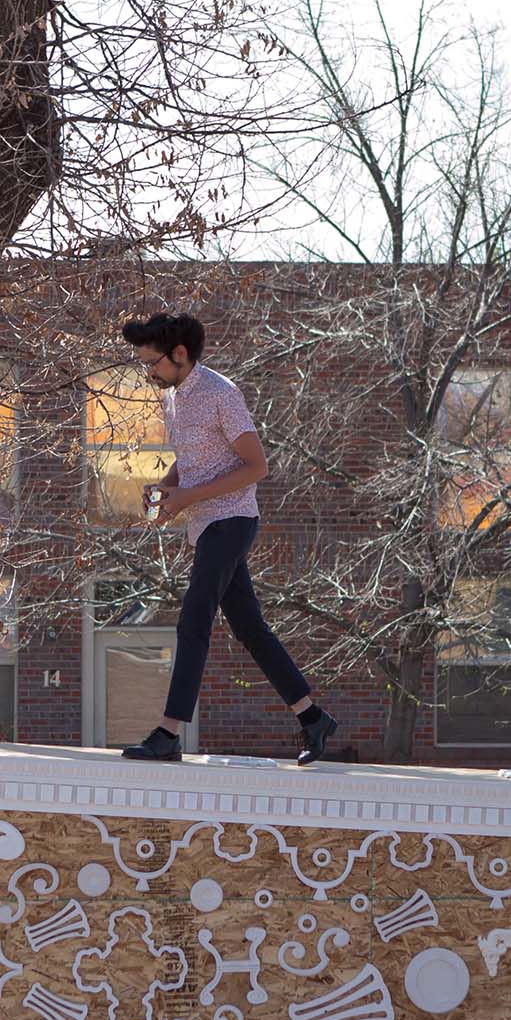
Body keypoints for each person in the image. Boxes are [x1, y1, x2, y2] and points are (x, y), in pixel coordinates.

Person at [115, 312, 336, 765]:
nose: (148, 373)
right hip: (205, 524)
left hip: (232, 520)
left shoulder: (222, 393)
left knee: (193, 619)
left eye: (152, 362)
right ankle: (312, 716)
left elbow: (256, 467)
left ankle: (169, 732)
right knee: (249, 627)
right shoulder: (173, 399)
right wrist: (168, 489)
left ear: (179, 354)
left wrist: (189, 494)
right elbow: (192, 461)